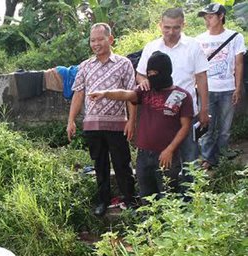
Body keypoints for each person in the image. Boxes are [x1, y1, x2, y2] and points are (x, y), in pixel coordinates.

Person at [89, 51, 194, 202]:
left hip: (167, 156)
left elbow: (185, 127)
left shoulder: (182, 96)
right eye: (149, 73)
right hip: (144, 156)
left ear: (166, 72)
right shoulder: (145, 91)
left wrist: (170, 150)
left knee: (169, 198)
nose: (151, 77)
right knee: (146, 198)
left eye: (155, 73)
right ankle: (148, 225)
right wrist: (106, 93)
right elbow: (126, 94)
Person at [67, 22, 136, 216]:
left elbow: (132, 95)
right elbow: (78, 94)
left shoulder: (124, 63)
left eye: (100, 39)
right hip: (93, 125)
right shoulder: (85, 66)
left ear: (110, 39)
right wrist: (71, 120)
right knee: (100, 165)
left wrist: (132, 121)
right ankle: (103, 201)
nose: (96, 44)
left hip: (117, 125)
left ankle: (129, 200)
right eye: (92, 40)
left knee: (122, 164)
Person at [136, 8, 209, 172]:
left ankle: (191, 197)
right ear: (160, 25)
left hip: (186, 115)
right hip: (158, 115)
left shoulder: (193, 46)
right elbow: (140, 74)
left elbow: (202, 78)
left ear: (183, 25)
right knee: (162, 164)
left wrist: (204, 109)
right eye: (167, 27)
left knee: (190, 161)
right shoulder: (151, 47)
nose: (171, 32)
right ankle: (166, 196)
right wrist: (144, 82)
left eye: (176, 27)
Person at [196, 3, 246, 169]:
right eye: (205, 17)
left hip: (228, 88)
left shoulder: (235, 37)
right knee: (206, 126)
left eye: (210, 16)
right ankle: (207, 159)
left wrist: (238, 88)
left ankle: (222, 156)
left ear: (221, 16)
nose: (207, 20)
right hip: (206, 90)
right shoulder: (199, 39)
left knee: (225, 128)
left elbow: (239, 64)